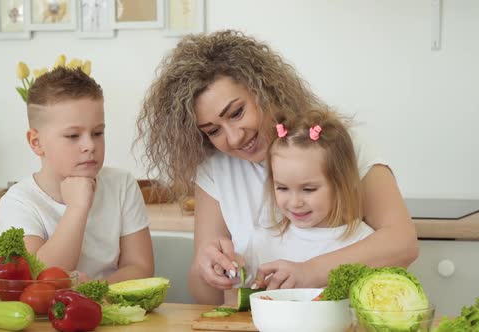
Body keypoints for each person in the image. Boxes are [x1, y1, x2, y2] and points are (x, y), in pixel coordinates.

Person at [136, 30, 418, 304]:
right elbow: (206, 298)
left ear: (263, 89)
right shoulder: (215, 171)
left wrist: (310, 272)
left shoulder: (338, 146)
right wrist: (209, 269)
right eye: (213, 130)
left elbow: (402, 242)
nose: (234, 138)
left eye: (237, 113)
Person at [0, 66, 154, 283]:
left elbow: (140, 267)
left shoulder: (121, 184)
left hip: (110, 308)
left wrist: (92, 290)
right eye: (72, 136)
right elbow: (37, 278)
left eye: (98, 133)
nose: (90, 145)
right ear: (37, 142)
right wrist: (77, 208)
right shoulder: (19, 202)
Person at [241, 108, 375, 294]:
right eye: (282, 188)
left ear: (341, 183)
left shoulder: (366, 242)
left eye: (308, 189)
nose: (295, 202)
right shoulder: (261, 242)